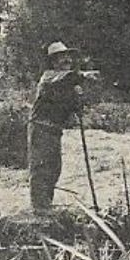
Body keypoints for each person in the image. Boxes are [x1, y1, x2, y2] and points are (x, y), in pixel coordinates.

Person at [27, 42, 92, 212]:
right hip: (40, 128)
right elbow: (68, 77)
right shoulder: (49, 77)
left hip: (55, 131)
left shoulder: (68, 85)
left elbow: (72, 108)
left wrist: (78, 100)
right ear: (53, 62)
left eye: (68, 57)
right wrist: (83, 75)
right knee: (41, 168)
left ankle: (46, 204)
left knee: (54, 169)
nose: (67, 60)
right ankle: (39, 208)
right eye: (62, 57)